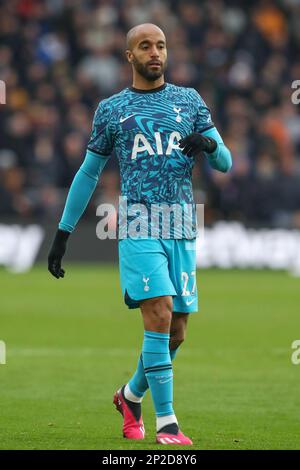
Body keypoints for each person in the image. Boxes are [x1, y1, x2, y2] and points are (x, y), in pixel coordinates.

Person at [48, 23, 232, 446]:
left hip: (183, 224)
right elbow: (88, 172)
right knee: (160, 312)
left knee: (177, 330)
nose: (155, 52)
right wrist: (64, 232)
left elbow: (225, 162)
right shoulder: (112, 109)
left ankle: (130, 396)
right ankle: (166, 422)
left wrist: (208, 146)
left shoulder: (190, 101)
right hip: (137, 223)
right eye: (145, 46)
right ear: (129, 55)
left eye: (161, 45)